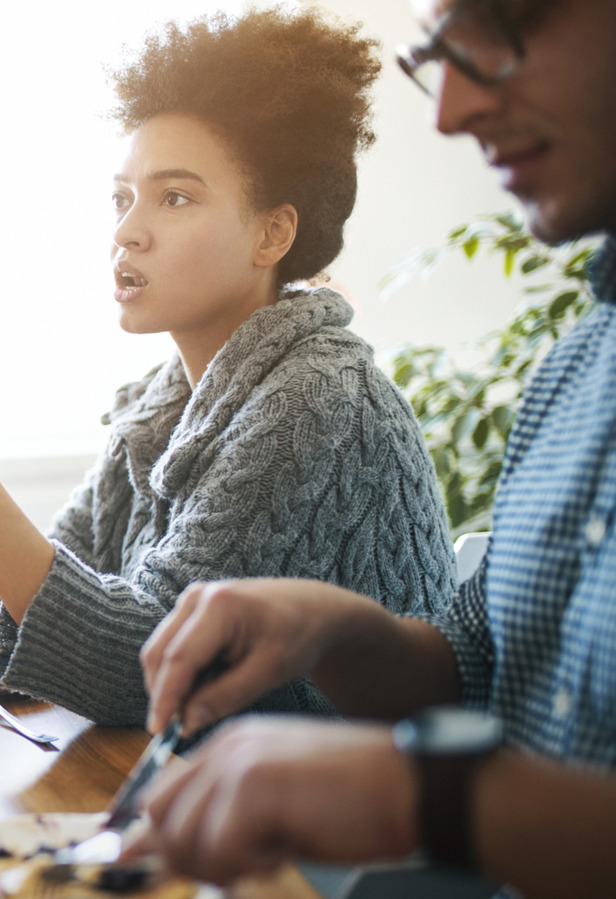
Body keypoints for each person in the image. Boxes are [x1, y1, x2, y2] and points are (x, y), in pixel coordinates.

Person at [0, 7, 454, 725]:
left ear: (273, 231)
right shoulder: (165, 399)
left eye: (175, 197)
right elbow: (29, 603)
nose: (127, 231)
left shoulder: (317, 399)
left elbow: (138, 669)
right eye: (121, 198)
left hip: (345, 818)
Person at [132, 0, 616, 894]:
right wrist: (325, 624)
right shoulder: (576, 368)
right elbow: (476, 670)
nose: (450, 110)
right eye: (440, 57)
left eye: (503, 31)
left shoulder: (317, 388)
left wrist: (427, 799)